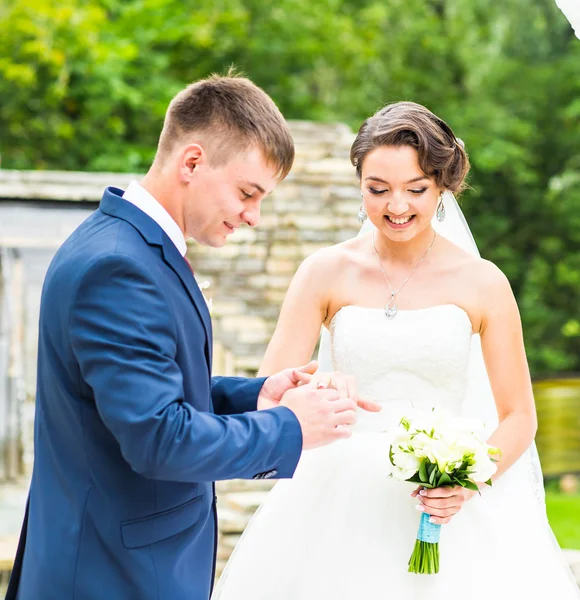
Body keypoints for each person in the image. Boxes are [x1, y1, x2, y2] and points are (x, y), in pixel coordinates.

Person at [5, 72, 381, 600]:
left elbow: (154, 389)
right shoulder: (118, 268)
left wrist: (257, 395)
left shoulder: (127, 246)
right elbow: (160, 438)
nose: (252, 216)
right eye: (248, 193)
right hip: (109, 577)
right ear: (192, 162)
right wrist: (289, 426)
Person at [212, 101, 580, 599]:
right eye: (377, 189)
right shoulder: (323, 272)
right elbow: (270, 386)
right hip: (334, 502)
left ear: (443, 186)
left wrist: (469, 480)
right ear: (359, 182)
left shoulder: (484, 283)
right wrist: (318, 388)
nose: (396, 206)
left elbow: (519, 416)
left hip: (444, 506)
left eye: (416, 189)